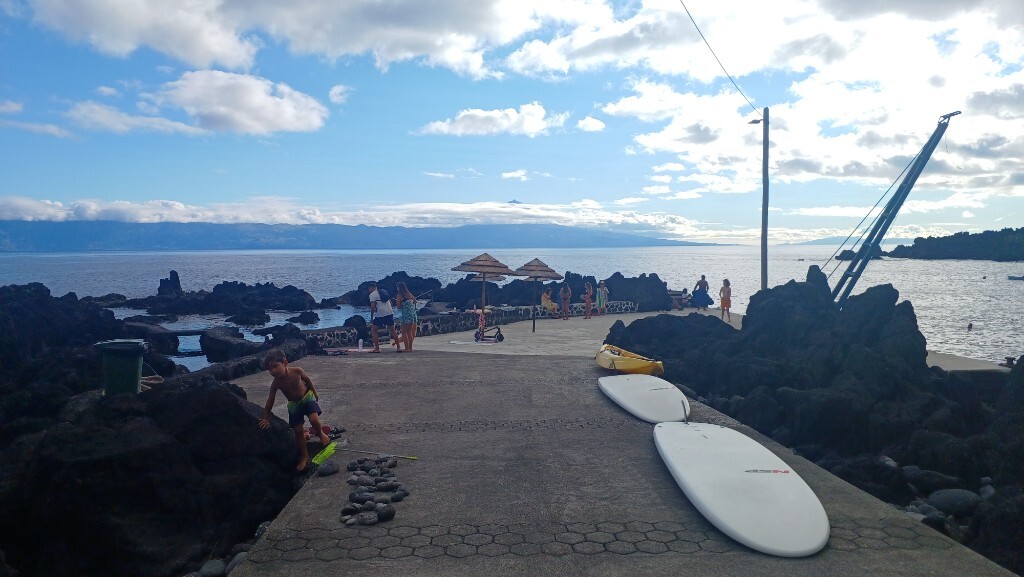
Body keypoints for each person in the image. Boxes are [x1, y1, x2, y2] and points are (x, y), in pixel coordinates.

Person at [259, 348, 328, 471]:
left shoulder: (297, 371)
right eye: (269, 369)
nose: (273, 371)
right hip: (293, 404)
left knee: (314, 420)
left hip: (307, 397)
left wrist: (314, 393)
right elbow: (270, 400)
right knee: (298, 430)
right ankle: (304, 456)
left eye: (275, 366)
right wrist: (265, 418)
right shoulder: (276, 383)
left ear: (285, 362)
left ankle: (320, 433)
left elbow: (307, 380)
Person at [367, 282, 400, 353]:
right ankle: (398, 347)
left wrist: (371, 317)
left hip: (380, 314)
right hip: (389, 312)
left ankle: (377, 348)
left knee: (373, 330)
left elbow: (373, 306)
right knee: (393, 330)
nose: (368, 290)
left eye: (368, 288)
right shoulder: (383, 292)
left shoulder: (372, 295)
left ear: (371, 288)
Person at [395, 281, 418, 352]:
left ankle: (406, 348)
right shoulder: (409, 293)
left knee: (404, 332)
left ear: (398, 288)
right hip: (411, 315)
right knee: (409, 332)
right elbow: (415, 301)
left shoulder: (399, 295)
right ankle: (410, 348)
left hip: (405, 315)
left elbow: (398, 306)